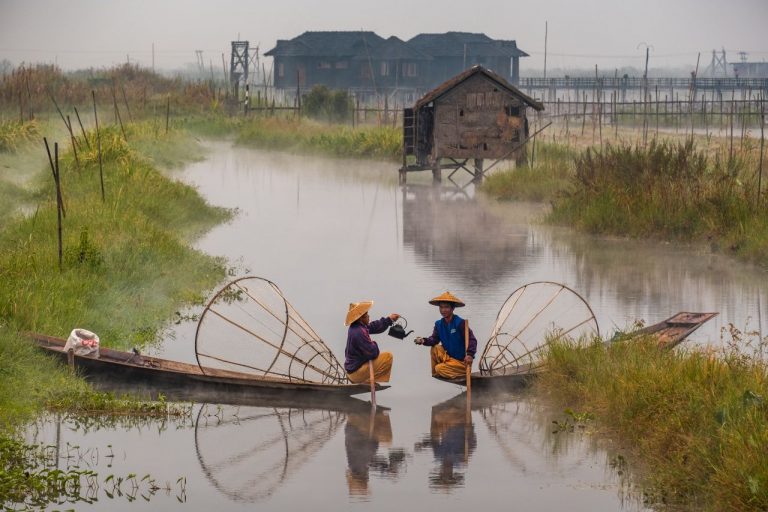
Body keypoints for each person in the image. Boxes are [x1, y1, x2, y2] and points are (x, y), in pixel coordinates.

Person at [414, 292, 477, 379]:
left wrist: (470, 355)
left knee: (439, 368)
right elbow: (434, 340)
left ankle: (458, 372)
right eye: (441, 307)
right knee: (435, 348)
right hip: (449, 359)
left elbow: (472, 340)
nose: (443, 310)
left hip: (461, 363)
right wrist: (423, 340)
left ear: (452, 308)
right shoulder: (439, 324)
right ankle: (438, 373)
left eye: (446, 307)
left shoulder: (460, 323)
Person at [344, 301, 399, 383]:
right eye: (366, 315)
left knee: (381, 355)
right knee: (388, 356)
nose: (369, 316)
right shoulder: (358, 332)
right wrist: (373, 343)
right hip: (356, 374)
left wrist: (389, 319)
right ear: (360, 318)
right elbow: (373, 352)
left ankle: (368, 379)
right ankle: (369, 380)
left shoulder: (357, 326)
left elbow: (374, 326)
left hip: (353, 369)